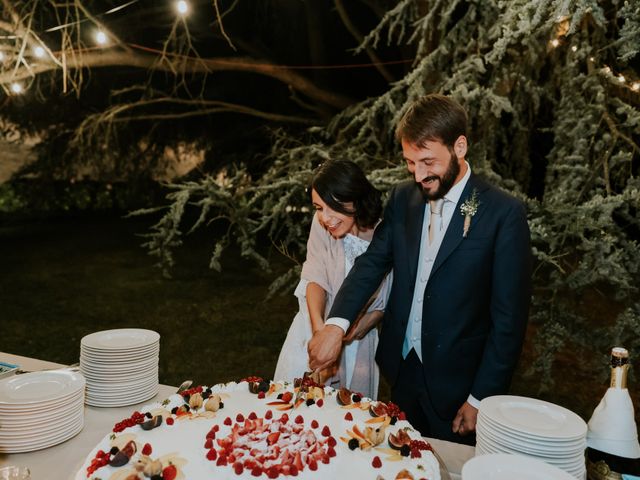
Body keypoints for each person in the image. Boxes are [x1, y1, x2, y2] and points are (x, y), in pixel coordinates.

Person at [308, 94, 531, 444]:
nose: (420, 175)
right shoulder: (403, 198)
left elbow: (509, 321)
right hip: (402, 370)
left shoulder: (503, 215)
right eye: (411, 163)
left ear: (459, 147)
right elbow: (372, 262)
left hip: (459, 386)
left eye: (428, 161)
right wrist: (336, 325)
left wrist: (480, 398)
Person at [274, 159, 392, 400]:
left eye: (332, 206)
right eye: (318, 208)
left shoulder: (386, 236)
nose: (326, 218)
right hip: (312, 329)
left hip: (358, 343)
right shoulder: (321, 227)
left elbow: (389, 297)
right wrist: (320, 331)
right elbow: (314, 277)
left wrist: (357, 329)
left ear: (355, 198)